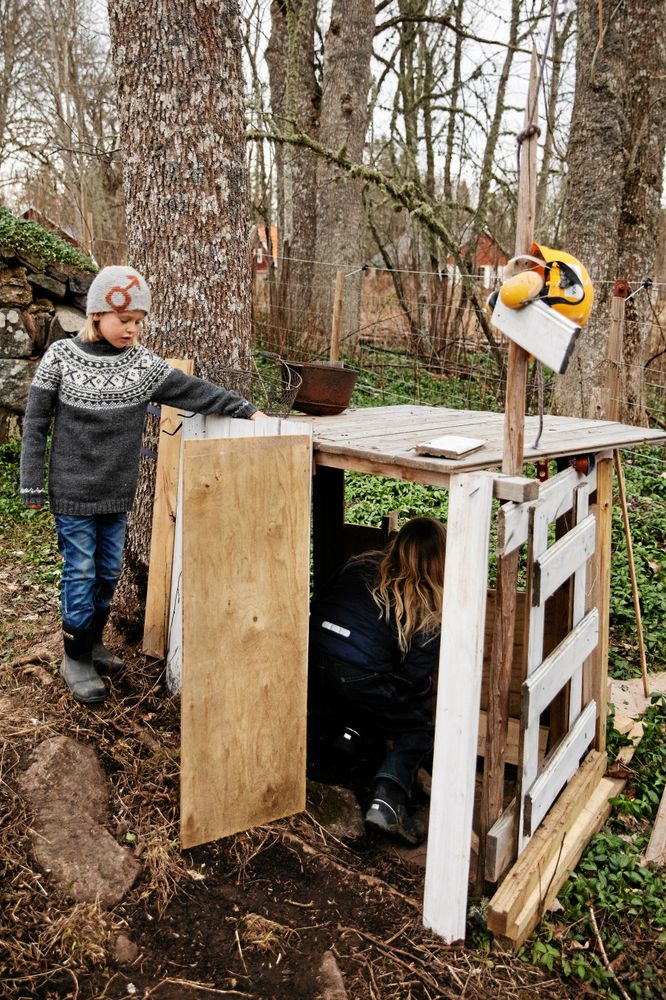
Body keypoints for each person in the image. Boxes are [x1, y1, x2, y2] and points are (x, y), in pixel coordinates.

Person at [20, 265, 264, 705]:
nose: (132, 329)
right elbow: (36, 425)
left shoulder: (142, 366)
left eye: (138, 322)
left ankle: (93, 641)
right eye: (123, 320)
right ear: (97, 315)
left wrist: (245, 409)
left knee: (109, 570)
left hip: (116, 493)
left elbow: (192, 391)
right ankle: (74, 656)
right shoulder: (59, 358)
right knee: (80, 571)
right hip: (72, 492)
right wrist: (31, 485)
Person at [308, 516, 446, 846]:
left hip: (312, 654)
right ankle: (388, 803)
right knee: (417, 729)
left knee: (357, 703)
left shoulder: (361, 565)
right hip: (360, 673)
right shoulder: (428, 602)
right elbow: (413, 678)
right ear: (440, 559)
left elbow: (321, 601)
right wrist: (426, 691)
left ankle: (343, 754)